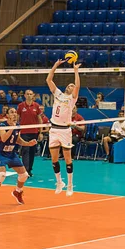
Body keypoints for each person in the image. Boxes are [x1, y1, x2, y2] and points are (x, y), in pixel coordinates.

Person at [0, 108, 37, 211]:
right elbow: (4, 138)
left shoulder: (17, 126)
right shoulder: (3, 125)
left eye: (15, 113)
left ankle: (17, 192)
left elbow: (17, 140)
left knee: (24, 175)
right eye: (12, 113)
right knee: (1, 175)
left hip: (11, 154)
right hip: (0, 154)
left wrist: (28, 143)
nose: (14, 114)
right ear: (7, 116)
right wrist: (12, 128)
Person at [46, 59, 80, 196]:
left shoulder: (72, 99)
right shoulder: (58, 93)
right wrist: (55, 65)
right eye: (70, 84)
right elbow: (48, 80)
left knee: (67, 159)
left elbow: (77, 86)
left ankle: (70, 185)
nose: (71, 86)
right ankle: (59, 182)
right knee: (54, 159)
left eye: (72, 85)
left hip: (65, 130)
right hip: (54, 129)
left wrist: (76, 71)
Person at [18, 89, 43, 176]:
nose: (29, 95)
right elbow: (18, 119)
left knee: (32, 151)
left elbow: (40, 119)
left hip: (34, 132)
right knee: (25, 150)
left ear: (33, 96)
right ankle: (25, 170)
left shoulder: (36, 106)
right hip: (24, 132)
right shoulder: (21, 106)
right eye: (27, 94)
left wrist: (40, 132)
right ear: (24, 95)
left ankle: (29, 169)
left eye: (30, 94)